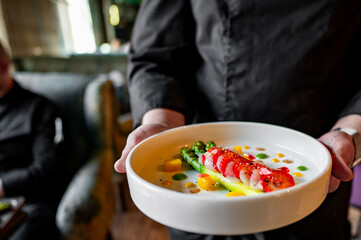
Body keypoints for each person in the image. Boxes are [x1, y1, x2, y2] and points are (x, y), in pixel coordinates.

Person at [114, 1, 361, 239]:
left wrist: (350, 132)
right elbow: (155, 57)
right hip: (198, 207)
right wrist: (164, 126)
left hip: (315, 189)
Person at [0, 42, 68, 239]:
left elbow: (48, 170)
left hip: (28, 205)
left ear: (4, 66)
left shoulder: (41, 109)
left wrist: (2, 186)